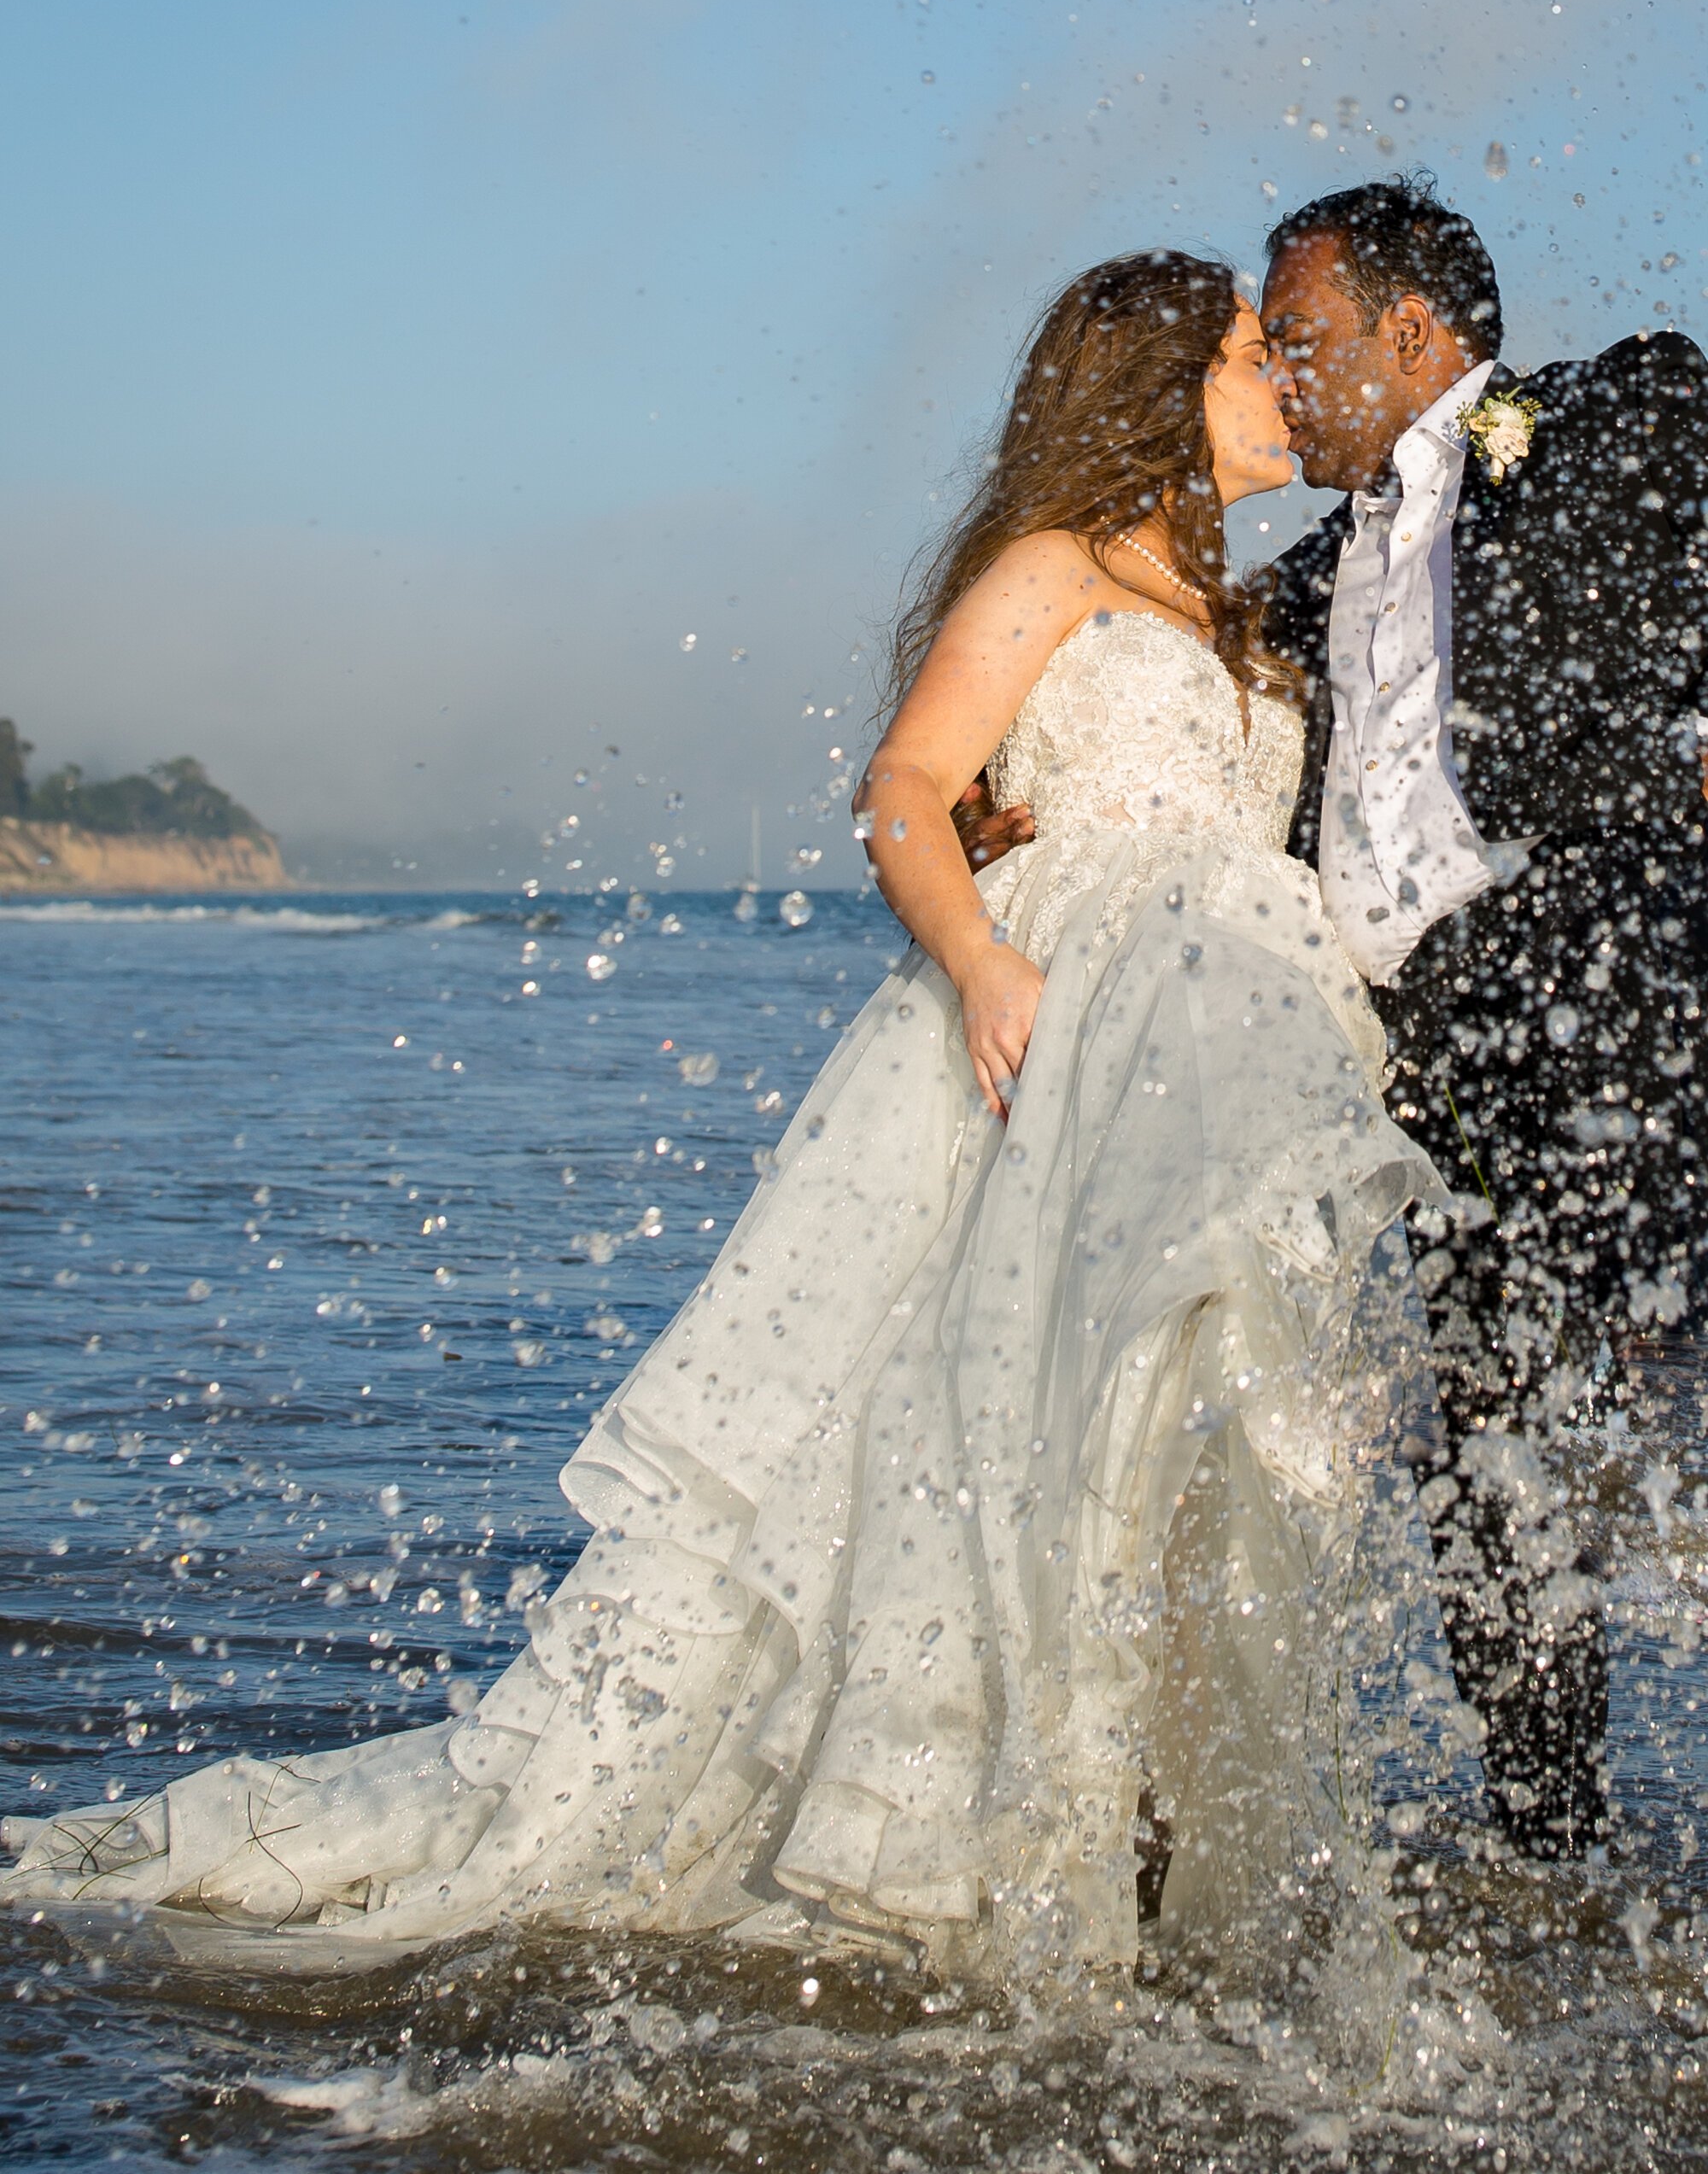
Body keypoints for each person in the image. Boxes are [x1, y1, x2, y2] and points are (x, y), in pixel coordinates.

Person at [2, 255, 1436, 1977]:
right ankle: (947, 1833)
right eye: (1240, 354)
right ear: (1151, 385)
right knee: (952, 1433)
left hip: (1180, 1086)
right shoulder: (1052, 570)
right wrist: (981, 962)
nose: (1281, 378)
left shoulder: (1248, 615)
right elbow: (906, 789)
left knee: (1145, 1433)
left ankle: (1099, 1824)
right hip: (1036, 1041)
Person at [1259, 177, 1708, 1860]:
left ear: (1413, 332)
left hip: (1620, 1031)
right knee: (1492, 1472)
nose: (1275, 376)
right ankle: (1557, 1852)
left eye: (1295, 340)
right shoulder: (1307, 575)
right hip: (1435, 1078)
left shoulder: (1609, 420)